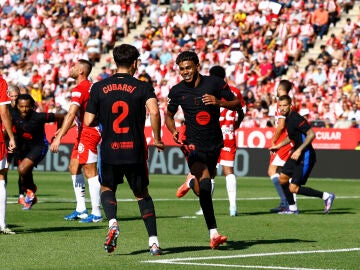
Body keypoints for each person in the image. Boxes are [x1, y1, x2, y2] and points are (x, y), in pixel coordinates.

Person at [83, 44, 164, 255]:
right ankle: (153, 242)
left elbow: (88, 120)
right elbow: (155, 113)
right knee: (142, 195)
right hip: (135, 150)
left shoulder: (99, 87)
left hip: (110, 149)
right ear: (135, 63)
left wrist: (104, 117)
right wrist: (157, 138)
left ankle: (112, 223)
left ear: (114, 61)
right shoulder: (143, 87)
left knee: (107, 189)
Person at [165, 51, 242, 249]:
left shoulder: (214, 84)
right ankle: (214, 233)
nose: (185, 72)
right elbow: (169, 115)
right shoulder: (177, 91)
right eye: (182, 69)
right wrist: (173, 130)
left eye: (188, 67)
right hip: (192, 144)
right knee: (207, 184)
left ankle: (191, 183)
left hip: (215, 142)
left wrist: (218, 102)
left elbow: (236, 104)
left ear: (197, 66)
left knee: (204, 188)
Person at [50, 59, 102, 223]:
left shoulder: (80, 88)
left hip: (90, 131)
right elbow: (80, 115)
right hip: (82, 130)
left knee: (90, 170)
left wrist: (59, 137)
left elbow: (71, 113)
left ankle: (96, 213)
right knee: (74, 166)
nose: (70, 68)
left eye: (73, 66)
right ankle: (81, 209)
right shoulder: (91, 86)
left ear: (81, 71)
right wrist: (68, 128)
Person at [193, 65, 245, 217]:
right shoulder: (234, 91)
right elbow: (240, 111)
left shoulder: (207, 90)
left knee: (209, 173)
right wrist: (237, 124)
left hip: (211, 135)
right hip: (228, 134)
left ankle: (205, 207)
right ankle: (233, 207)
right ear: (224, 77)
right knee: (228, 171)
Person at [269, 95, 336, 214]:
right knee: (282, 179)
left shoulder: (296, 118)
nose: (282, 108)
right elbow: (291, 137)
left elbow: (311, 134)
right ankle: (292, 208)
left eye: (285, 105)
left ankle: (326, 196)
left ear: (291, 105)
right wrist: (278, 146)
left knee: (293, 188)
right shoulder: (287, 118)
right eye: (280, 106)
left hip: (306, 155)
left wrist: (299, 150)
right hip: (296, 153)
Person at [11, 94, 64, 210]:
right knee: (23, 173)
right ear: (17, 106)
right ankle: (31, 193)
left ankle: (31, 190)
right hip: (23, 147)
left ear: (32, 106)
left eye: (27, 106)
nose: (24, 109)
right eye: (21, 106)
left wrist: (58, 134)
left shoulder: (39, 117)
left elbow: (61, 117)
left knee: (22, 169)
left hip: (39, 146)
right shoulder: (13, 115)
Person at [268, 79, 295, 213]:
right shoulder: (290, 102)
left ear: (280, 89)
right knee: (285, 173)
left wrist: (274, 142)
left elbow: (281, 125)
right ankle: (289, 203)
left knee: (272, 171)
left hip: (283, 141)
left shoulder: (282, 104)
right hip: (288, 140)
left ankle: (286, 202)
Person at [0, 76, 16, 234]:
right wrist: (11, 137)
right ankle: (1, 224)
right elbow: (4, 111)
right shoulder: (0, 81)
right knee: (1, 177)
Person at [5, 85, 22, 204]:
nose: (15, 98)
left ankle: (21, 195)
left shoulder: (23, 106)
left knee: (22, 169)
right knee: (4, 167)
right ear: (8, 96)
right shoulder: (4, 108)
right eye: (13, 96)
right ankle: (3, 192)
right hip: (7, 140)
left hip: (21, 140)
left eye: (17, 96)